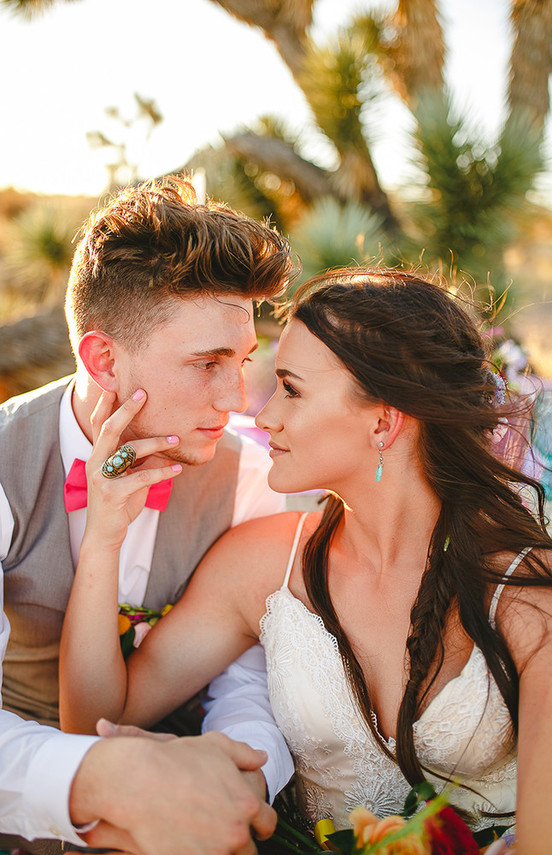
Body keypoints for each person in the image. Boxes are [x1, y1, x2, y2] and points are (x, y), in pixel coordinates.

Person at [61, 268, 552, 855]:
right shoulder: (261, 565)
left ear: (383, 421)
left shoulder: (534, 599)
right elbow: (93, 723)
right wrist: (103, 539)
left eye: (292, 389)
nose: (263, 416)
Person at [0, 175, 296, 851]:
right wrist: (112, 778)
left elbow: (249, 684)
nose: (236, 398)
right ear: (103, 358)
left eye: (244, 359)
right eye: (206, 363)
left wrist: (239, 775)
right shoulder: (1, 465)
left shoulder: (248, 477)